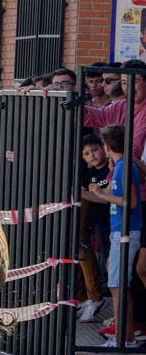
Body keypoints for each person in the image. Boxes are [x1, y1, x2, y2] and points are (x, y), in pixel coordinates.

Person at [88, 125, 142, 348]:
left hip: (125, 232)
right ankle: (124, 336)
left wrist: (101, 193)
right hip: (119, 231)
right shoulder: (120, 166)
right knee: (117, 285)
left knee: (118, 286)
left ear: (107, 146)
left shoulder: (123, 167)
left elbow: (129, 202)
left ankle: (124, 338)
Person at [78, 134, 110, 322]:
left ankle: (97, 299)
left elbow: (104, 196)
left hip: (109, 221)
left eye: (95, 149)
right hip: (96, 221)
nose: (92, 155)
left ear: (104, 148)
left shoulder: (110, 170)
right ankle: (86, 298)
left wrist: (86, 193)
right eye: (87, 153)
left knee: (109, 261)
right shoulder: (89, 174)